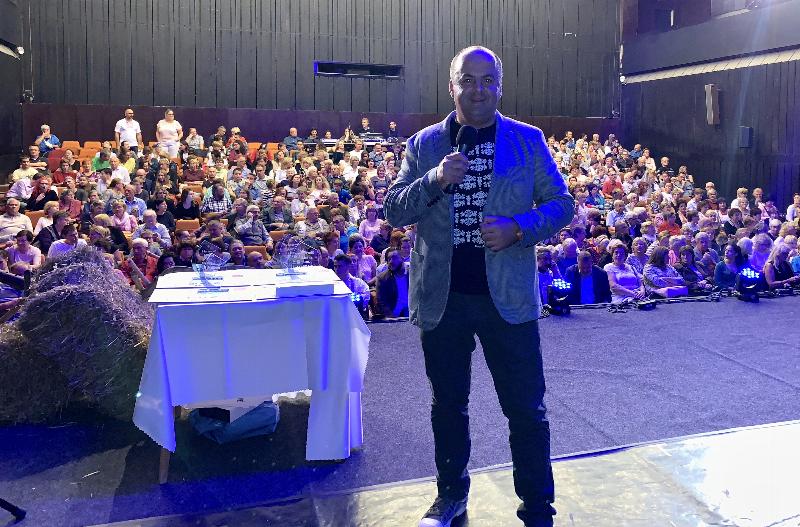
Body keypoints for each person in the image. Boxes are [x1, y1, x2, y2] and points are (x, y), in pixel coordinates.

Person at [384, 46, 573, 527]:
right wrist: (434, 179)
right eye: (467, 79)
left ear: (500, 86)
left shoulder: (527, 140)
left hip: (507, 299)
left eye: (488, 79)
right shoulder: (424, 145)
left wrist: (519, 227)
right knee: (448, 405)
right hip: (443, 298)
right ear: (452, 86)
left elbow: (561, 204)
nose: (478, 89)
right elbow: (394, 210)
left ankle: (537, 506)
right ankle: (451, 495)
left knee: (526, 409)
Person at [374, 248, 410, 318]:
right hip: (393, 316)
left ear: (402, 258)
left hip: (412, 315)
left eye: (394, 258)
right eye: (389, 259)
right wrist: (390, 316)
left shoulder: (412, 274)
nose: (391, 261)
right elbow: (381, 301)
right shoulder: (382, 278)